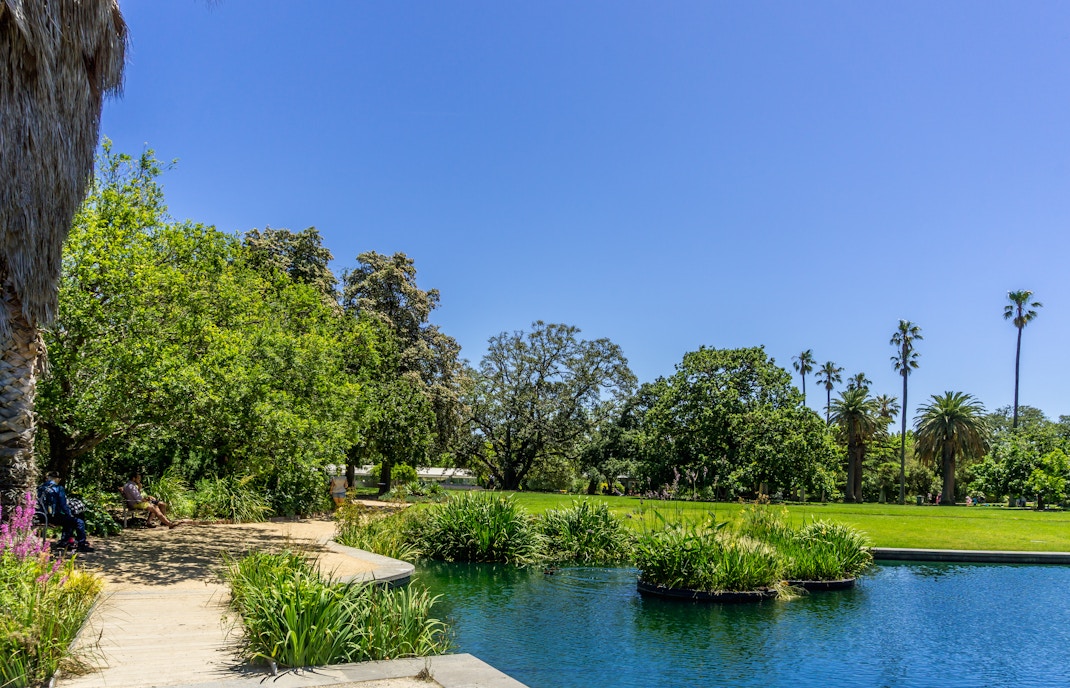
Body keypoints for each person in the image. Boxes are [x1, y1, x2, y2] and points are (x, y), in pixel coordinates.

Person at [37, 471, 94, 553]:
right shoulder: (58, 488)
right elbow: (64, 505)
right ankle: (82, 544)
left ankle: (65, 541)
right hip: (53, 517)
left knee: (68, 520)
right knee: (79, 521)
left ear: (48, 478)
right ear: (57, 479)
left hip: (41, 516)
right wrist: (70, 514)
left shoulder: (40, 487)